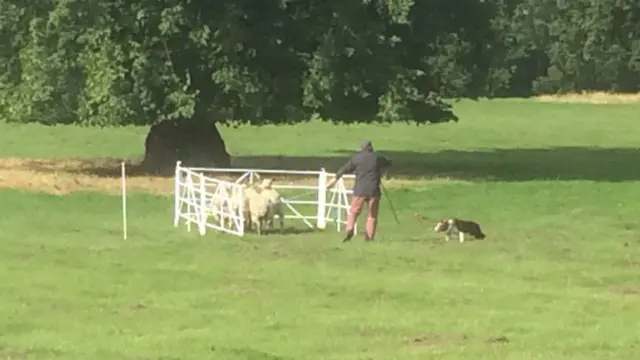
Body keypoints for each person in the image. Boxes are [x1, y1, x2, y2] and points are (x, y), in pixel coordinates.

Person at [326, 140, 392, 242]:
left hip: (359, 190)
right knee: (372, 215)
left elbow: (345, 169)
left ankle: (350, 229)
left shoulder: (356, 158)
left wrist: (334, 179)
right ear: (371, 147)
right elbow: (388, 162)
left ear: (361, 148)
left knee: (353, 212)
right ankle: (369, 237)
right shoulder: (377, 158)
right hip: (374, 190)